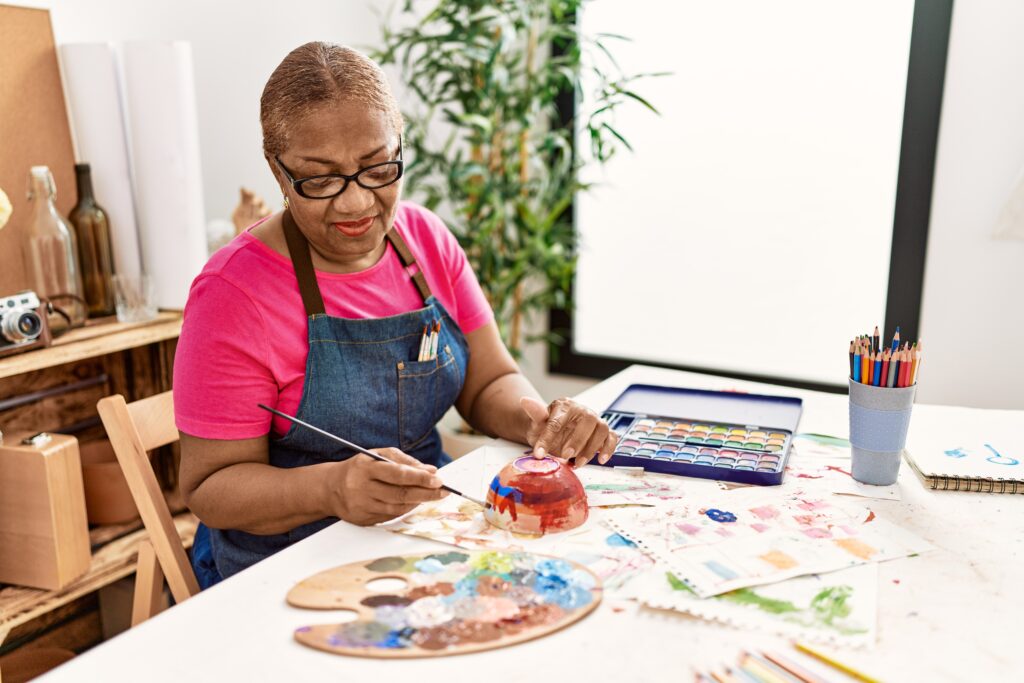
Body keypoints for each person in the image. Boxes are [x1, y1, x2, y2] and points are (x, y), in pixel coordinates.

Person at [172, 42, 617, 587]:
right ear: (277, 170)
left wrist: (541, 425)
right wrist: (332, 488)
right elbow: (210, 488)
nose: (357, 203)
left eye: (377, 168)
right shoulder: (232, 294)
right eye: (321, 179)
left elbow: (488, 381)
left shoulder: (425, 239)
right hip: (284, 566)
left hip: (423, 532)